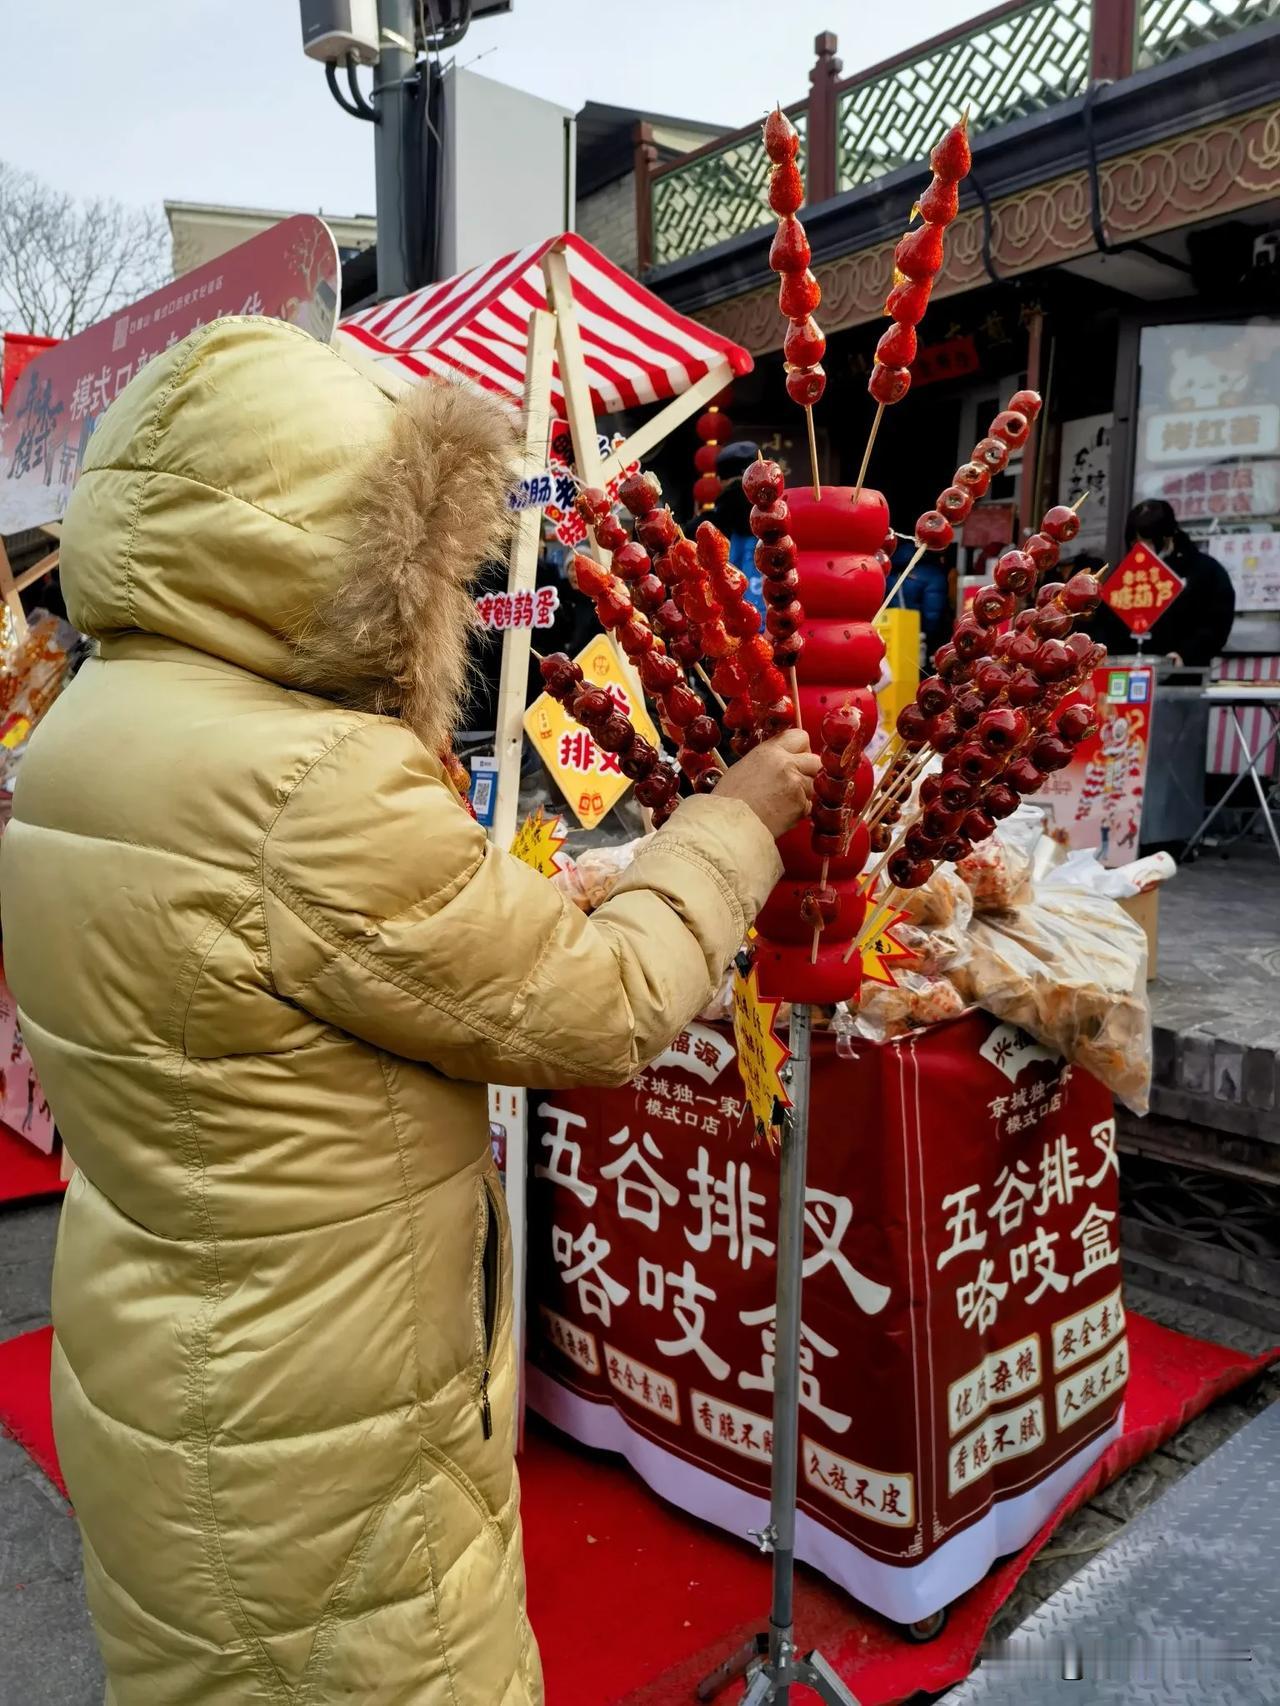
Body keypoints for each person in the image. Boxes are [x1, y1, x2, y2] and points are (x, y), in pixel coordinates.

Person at [0, 318, 818, 1706]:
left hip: (169, 1347)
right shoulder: (309, 782)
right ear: (343, 549)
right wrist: (733, 827)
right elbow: (603, 1002)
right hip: (321, 1427)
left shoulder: (92, 719)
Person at [1092, 498, 1236, 667]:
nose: (1143, 548)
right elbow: (1104, 621)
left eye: (1150, 541)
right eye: (1135, 543)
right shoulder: (1126, 572)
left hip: (1180, 677)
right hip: (1123, 673)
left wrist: (1186, 654)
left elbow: (1217, 624)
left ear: (1169, 535)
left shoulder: (1205, 571)